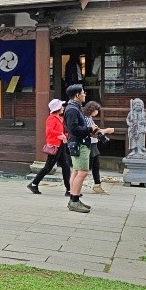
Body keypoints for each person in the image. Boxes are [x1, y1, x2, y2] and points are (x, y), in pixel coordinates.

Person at [63, 83, 99, 213]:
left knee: (76, 171)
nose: (85, 94)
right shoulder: (73, 109)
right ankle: (75, 201)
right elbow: (73, 129)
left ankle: (73, 198)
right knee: (82, 172)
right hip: (79, 143)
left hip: (76, 142)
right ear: (77, 95)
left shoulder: (73, 107)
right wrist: (90, 129)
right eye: (83, 92)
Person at [27, 99, 71, 195]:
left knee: (65, 167)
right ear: (58, 108)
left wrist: (65, 135)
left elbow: (63, 131)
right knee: (48, 167)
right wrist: (61, 134)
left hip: (61, 145)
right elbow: (49, 131)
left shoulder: (59, 118)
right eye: (61, 106)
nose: (63, 108)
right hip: (55, 145)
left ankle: (69, 189)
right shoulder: (51, 119)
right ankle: (34, 183)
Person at [83, 100, 115, 194]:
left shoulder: (89, 118)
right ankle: (75, 185)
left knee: (95, 166)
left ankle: (97, 185)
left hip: (93, 143)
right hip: (90, 144)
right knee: (86, 167)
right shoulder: (86, 118)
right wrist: (106, 131)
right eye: (96, 110)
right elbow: (92, 132)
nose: (97, 112)